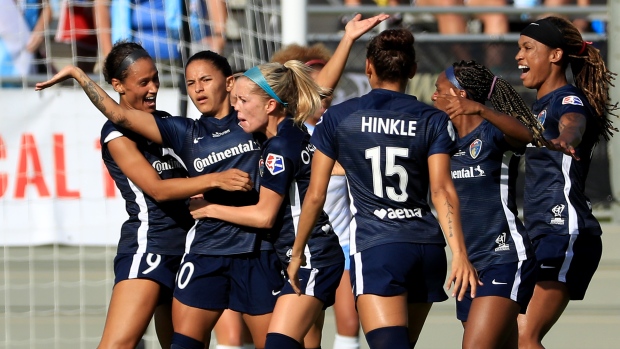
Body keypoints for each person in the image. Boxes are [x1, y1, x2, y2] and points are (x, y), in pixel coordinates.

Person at [35, 14, 388, 349]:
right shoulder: (184, 132)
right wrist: (80, 77)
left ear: (229, 81)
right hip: (206, 252)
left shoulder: (253, 119)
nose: (197, 89)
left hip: (259, 253)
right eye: (190, 82)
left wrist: (347, 39)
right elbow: (119, 115)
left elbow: (315, 91)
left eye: (205, 79)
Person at [287, 28, 479, 349]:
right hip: (427, 247)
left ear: (368, 68)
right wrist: (459, 252)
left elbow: (316, 195)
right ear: (413, 71)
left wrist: (296, 254)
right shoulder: (432, 118)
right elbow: (442, 190)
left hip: (379, 247)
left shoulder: (339, 117)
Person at [82, 41, 252, 349]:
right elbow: (159, 190)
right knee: (118, 344)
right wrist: (215, 180)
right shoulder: (117, 134)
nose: (153, 88)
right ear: (118, 85)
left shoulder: (166, 124)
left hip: (188, 249)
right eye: (143, 82)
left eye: (155, 78)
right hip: (151, 246)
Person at [190, 59, 345, 349]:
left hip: (311, 258)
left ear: (271, 105)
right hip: (308, 254)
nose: (235, 107)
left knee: (277, 343)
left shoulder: (278, 148)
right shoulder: (293, 132)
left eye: (243, 100)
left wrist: (208, 209)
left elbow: (264, 216)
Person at [515, 16, 617, 348]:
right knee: (506, 332)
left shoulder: (567, 99)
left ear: (556, 55)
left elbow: (574, 122)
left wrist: (566, 136)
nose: (519, 56)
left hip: (565, 231)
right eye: (518, 48)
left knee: (525, 337)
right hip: (541, 233)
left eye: (528, 48)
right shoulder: (539, 106)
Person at [432, 60, 545, 349]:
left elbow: (527, 135)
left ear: (459, 94)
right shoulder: (442, 143)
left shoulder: (491, 133)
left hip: (504, 257)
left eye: (439, 89)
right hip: (467, 266)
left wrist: (482, 110)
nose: (433, 96)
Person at [271, 43, 361, 349]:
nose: (325, 95)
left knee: (349, 322)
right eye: (316, 88)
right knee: (309, 334)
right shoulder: (290, 133)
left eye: (328, 91)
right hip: (298, 246)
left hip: (341, 243)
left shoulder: (333, 130)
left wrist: (347, 39)